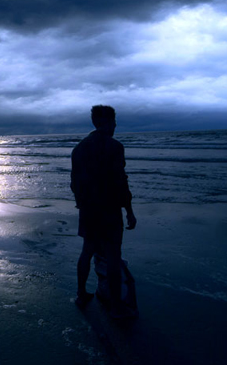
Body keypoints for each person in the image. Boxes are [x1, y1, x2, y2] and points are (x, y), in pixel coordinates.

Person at [71, 105, 137, 318]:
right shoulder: (115, 147)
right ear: (108, 122)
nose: (115, 126)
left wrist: (81, 204)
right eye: (114, 122)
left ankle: (81, 294)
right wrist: (129, 210)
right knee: (112, 255)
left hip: (89, 209)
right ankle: (116, 306)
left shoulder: (79, 149)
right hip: (109, 210)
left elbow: (75, 183)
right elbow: (120, 182)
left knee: (87, 251)